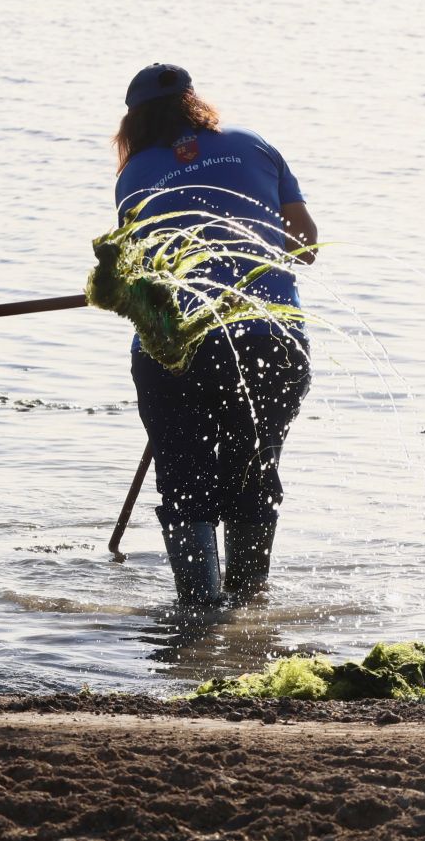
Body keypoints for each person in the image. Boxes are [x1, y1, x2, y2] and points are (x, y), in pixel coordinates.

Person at [113, 63, 317, 607]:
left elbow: (134, 275)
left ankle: (199, 613)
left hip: (174, 346)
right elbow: (306, 244)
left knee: (184, 482)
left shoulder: (132, 174)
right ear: (194, 102)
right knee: (254, 467)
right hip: (270, 335)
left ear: (133, 119)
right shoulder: (254, 146)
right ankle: (249, 607)